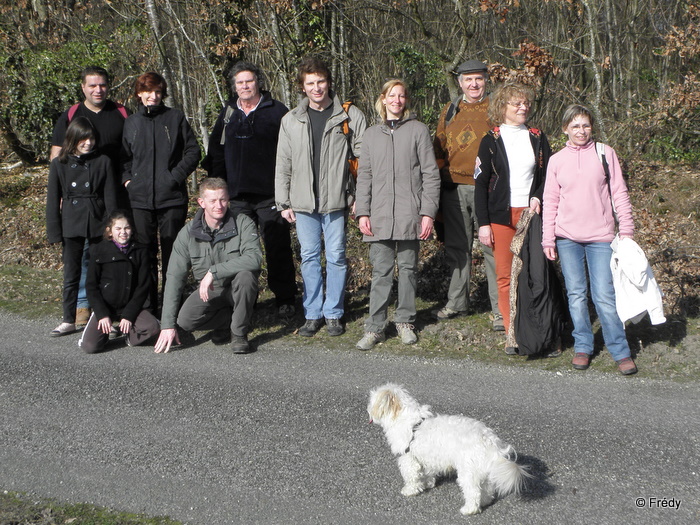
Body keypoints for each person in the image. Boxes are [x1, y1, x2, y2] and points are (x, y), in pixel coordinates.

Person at [542, 104, 638, 375]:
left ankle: (620, 350)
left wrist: (626, 231)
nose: (581, 131)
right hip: (567, 238)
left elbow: (619, 193)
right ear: (565, 129)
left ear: (591, 126)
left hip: (601, 237)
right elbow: (550, 201)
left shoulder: (605, 153)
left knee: (605, 296)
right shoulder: (557, 160)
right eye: (575, 126)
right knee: (576, 295)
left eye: (585, 125)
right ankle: (582, 345)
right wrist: (548, 239)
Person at [275, 56, 367, 337]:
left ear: (329, 82)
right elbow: (283, 162)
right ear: (302, 87)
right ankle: (312, 313)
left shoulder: (350, 116)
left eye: (321, 81)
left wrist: (360, 199)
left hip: (337, 201)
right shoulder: (291, 120)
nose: (317, 88)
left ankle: (334, 313)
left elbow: (365, 161)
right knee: (310, 257)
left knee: (337, 256)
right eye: (310, 83)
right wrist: (283, 202)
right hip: (303, 203)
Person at [204, 61, 297, 318]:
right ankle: (245, 299)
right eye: (240, 82)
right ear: (234, 87)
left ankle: (285, 298)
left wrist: (287, 191)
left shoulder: (277, 111)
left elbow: (291, 152)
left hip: (270, 195)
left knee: (277, 247)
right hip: (237, 196)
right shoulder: (228, 113)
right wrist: (218, 187)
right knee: (239, 251)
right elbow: (216, 152)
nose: (245, 86)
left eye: (249, 81)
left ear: (259, 83)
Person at [354, 80, 440, 350]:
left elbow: (430, 174)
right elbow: (364, 176)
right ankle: (375, 327)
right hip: (378, 215)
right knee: (380, 273)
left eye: (402, 95)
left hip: (409, 214)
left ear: (406, 101)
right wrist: (362, 212)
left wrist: (427, 213)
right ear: (383, 99)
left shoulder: (418, 131)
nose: (397, 100)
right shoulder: (370, 135)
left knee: (408, 271)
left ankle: (405, 322)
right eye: (392, 95)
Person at [474, 82, 552, 354]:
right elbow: (481, 184)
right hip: (500, 216)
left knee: (534, 274)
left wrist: (538, 197)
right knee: (505, 276)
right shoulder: (490, 140)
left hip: (530, 214)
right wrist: (483, 223)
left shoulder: (538, 137)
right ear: (502, 107)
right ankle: (512, 334)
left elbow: (549, 177)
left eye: (526, 103)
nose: (523, 107)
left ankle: (539, 329)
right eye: (516, 103)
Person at [50, 66, 131, 328]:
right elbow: (58, 153)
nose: (98, 90)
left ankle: (109, 305)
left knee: (106, 255)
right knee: (79, 259)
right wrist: (62, 193)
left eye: (103, 85)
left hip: (114, 194)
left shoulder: (120, 113)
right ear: (83, 87)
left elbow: (132, 150)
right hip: (79, 201)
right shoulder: (72, 114)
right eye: (92, 85)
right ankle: (82, 306)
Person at [153, 177, 262, 355]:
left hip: (237, 288)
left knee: (246, 277)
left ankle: (239, 332)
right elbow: (174, 278)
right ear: (201, 202)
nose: (219, 206)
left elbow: (255, 258)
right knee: (185, 322)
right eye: (213, 201)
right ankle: (226, 321)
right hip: (210, 291)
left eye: (223, 199)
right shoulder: (187, 233)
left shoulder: (242, 222)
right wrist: (167, 325)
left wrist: (214, 271)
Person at [121, 72, 201, 312]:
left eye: (157, 92)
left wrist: (173, 178)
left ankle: (171, 306)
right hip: (140, 200)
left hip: (171, 199)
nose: (153, 96)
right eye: (148, 91)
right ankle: (147, 307)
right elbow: (124, 158)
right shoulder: (131, 122)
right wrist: (128, 182)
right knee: (144, 254)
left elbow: (192, 152)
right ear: (139, 93)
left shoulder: (174, 118)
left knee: (171, 255)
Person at [432, 60, 501, 330]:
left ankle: (500, 309)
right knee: (457, 248)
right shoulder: (450, 110)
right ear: (459, 82)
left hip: (488, 188)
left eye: (479, 79)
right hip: (454, 188)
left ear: (486, 80)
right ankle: (457, 302)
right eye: (468, 79)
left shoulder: (497, 109)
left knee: (492, 248)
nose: (474, 84)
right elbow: (438, 147)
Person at [46, 117, 117, 336]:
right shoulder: (60, 163)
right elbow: (52, 200)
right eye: (83, 139)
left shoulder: (103, 161)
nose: (88, 143)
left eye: (92, 138)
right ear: (73, 138)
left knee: (101, 273)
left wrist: (112, 226)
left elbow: (110, 197)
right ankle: (69, 319)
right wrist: (54, 231)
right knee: (71, 274)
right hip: (71, 223)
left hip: (97, 221)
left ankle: (105, 319)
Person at [79, 210, 160, 353]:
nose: (123, 232)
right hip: (106, 306)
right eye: (118, 228)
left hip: (130, 305)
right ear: (110, 232)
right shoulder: (99, 250)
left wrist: (129, 315)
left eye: (127, 228)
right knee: (90, 347)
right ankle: (102, 335)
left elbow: (143, 286)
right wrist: (102, 314)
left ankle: (129, 337)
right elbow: (91, 286)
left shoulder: (140, 251)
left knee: (153, 327)